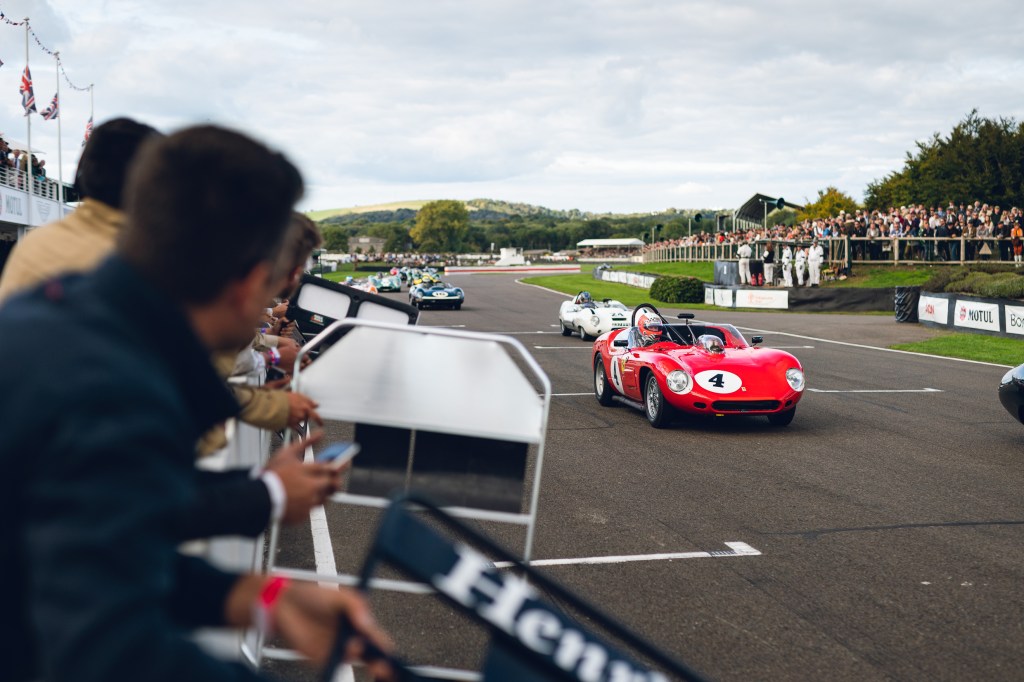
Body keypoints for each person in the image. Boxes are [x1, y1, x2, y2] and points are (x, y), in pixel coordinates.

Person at [0, 125, 393, 681]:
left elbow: (111, 542)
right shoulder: (118, 384)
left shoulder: (66, 315)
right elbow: (108, 655)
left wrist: (265, 597)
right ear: (250, 282)